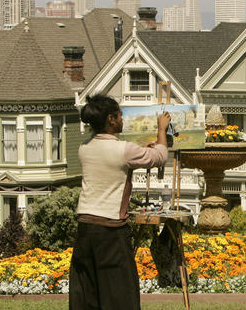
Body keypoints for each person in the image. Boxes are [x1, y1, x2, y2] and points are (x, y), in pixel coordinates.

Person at [69, 94, 170, 310]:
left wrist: (145, 149)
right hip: (110, 230)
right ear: (111, 119)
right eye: (120, 116)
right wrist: (162, 130)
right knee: (119, 294)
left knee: (88, 292)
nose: (123, 120)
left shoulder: (84, 148)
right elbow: (160, 156)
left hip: (85, 226)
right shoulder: (124, 149)